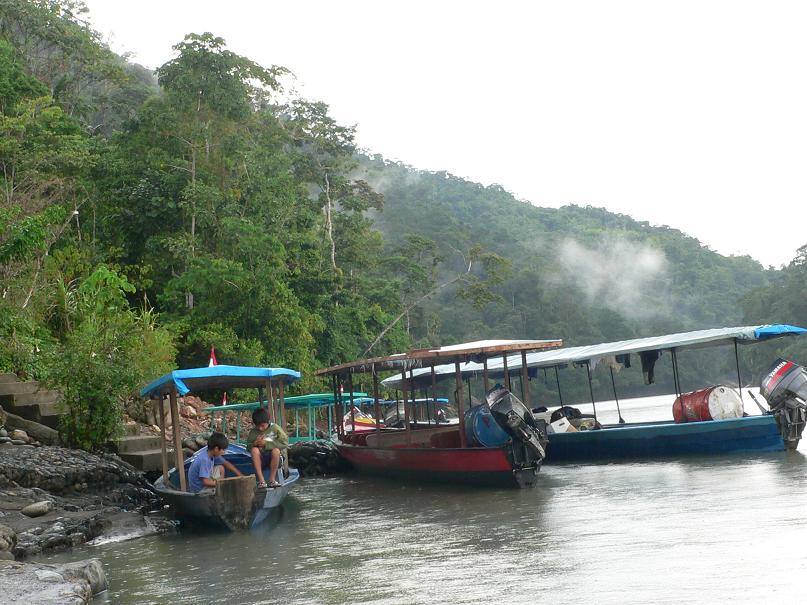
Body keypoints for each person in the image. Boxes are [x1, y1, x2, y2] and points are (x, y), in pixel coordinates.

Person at [246, 407, 288, 488]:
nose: (260, 428)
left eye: (262, 426)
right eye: (258, 426)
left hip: (276, 459)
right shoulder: (253, 432)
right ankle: (261, 481)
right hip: (261, 459)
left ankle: (272, 480)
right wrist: (254, 444)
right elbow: (248, 447)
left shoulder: (275, 428)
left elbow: (284, 443)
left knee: (276, 451)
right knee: (254, 450)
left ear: (268, 422)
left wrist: (266, 444)